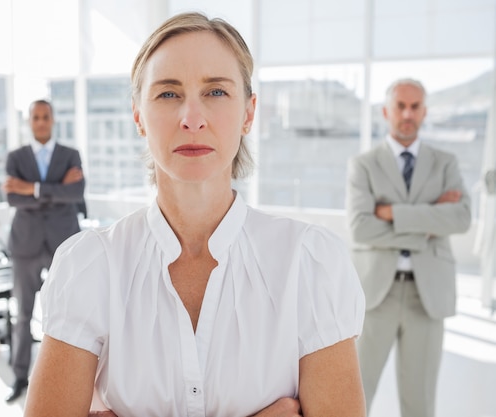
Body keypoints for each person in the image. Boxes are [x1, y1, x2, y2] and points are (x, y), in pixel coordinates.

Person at [24, 12, 366, 417]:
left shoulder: (309, 262)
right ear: (138, 116)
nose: (192, 118)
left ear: (249, 113)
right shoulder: (90, 265)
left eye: (216, 92)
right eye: (168, 94)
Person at [345, 78, 472, 417]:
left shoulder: (445, 162)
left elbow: (460, 218)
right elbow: (361, 227)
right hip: (376, 295)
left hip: (427, 296)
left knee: (420, 402)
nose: (407, 113)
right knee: (354, 396)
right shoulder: (364, 164)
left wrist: (392, 214)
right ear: (386, 111)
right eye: (400, 106)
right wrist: (429, 222)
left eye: (415, 107)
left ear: (424, 112)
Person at [3, 99, 86, 402]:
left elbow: (75, 193)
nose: (40, 122)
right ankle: (20, 377)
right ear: (29, 121)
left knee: (68, 312)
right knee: (23, 314)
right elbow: (14, 199)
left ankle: (67, 376)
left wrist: (33, 189)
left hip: (63, 244)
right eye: (35, 117)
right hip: (25, 244)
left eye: (45, 117)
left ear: (53, 120)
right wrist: (54, 190)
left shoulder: (70, 155)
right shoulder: (15, 157)